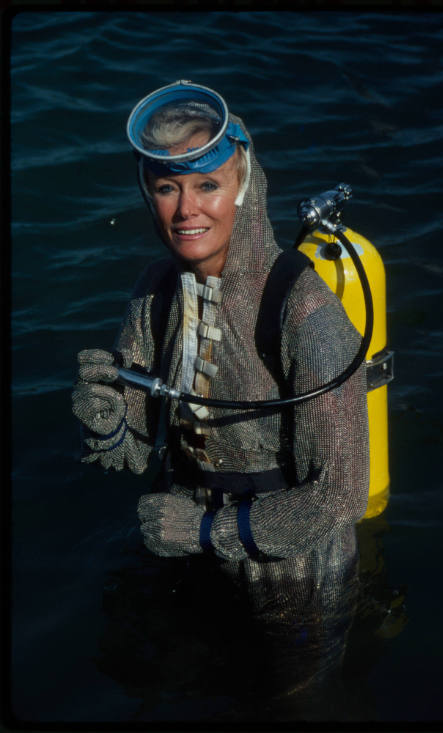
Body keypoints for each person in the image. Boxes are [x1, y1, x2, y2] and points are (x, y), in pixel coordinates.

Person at [72, 81, 369, 712]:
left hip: (295, 578)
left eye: (207, 185)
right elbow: (128, 457)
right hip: (184, 551)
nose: (186, 210)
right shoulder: (153, 292)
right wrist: (107, 428)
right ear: (146, 192)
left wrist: (208, 530)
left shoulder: (306, 311)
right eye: (166, 187)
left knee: (296, 706)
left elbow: (341, 494)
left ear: (244, 185)